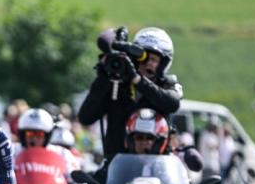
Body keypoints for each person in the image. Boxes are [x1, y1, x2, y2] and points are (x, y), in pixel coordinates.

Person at [78, 27, 182, 162]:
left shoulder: (168, 84)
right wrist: (104, 76)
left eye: (154, 59)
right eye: (143, 58)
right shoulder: (117, 83)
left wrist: (138, 80)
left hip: (157, 168)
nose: (148, 64)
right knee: (89, 183)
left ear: (163, 64)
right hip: (116, 171)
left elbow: (172, 104)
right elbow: (86, 117)